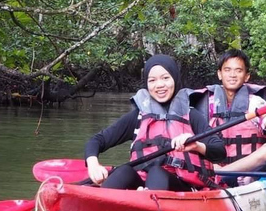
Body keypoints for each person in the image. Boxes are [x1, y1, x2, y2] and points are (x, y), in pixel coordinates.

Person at [84, 54, 226, 191]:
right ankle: (105, 203)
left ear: (175, 79)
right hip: (145, 183)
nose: (159, 85)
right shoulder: (138, 117)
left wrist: (197, 145)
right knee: (123, 171)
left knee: (157, 172)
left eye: (165, 78)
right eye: (152, 80)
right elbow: (97, 140)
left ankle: (149, 202)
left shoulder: (191, 115)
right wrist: (93, 164)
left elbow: (220, 151)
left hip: (181, 185)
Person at [191, 49, 266, 181]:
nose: (232, 75)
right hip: (214, 165)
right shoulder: (206, 104)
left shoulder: (256, 103)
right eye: (227, 70)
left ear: (247, 76)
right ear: (219, 74)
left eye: (238, 70)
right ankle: (216, 174)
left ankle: (221, 174)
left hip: (248, 171)